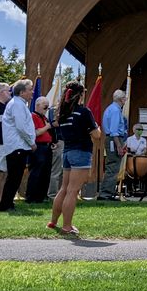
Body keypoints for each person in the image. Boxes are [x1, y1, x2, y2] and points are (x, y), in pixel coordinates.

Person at [49, 81, 101, 236]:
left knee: (64, 189)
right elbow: (96, 135)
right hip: (81, 152)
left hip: (67, 151)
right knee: (73, 191)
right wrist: (97, 127)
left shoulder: (62, 113)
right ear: (80, 95)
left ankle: (53, 222)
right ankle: (67, 226)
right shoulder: (84, 112)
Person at [0, 79, 37, 211]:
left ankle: (8, 203)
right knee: (14, 177)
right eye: (30, 89)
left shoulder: (19, 104)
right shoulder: (17, 105)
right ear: (21, 92)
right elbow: (21, 126)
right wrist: (31, 142)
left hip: (18, 146)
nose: (33, 92)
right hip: (17, 146)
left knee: (16, 176)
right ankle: (5, 204)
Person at [99, 89, 127, 200]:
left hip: (111, 139)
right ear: (121, 99)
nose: (125, 100)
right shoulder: (116, 110)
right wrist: (119, 146)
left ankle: (107, 192)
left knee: (112, 166)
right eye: (125, 98)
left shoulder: (110, 109)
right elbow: (114, 130)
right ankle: (106, 194)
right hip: (114, 139)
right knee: (113, 167)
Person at [25, 96, 54, 203]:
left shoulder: (44, 118)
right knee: (36, 172)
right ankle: (31, 196)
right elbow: (36, 132)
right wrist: (48, 126)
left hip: (47, 147)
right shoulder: (33, 116)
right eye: (44, 105)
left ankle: (41, 196)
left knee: (46, 172)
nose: (47, 108)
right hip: (38, 146)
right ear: (37, 105)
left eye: (48, 106)